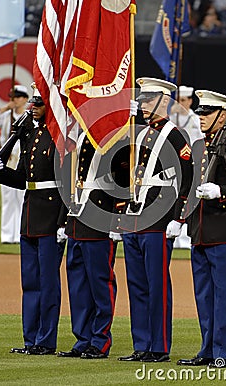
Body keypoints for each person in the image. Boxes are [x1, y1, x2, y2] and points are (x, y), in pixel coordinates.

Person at [115, 77, 193, 363]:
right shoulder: (140, 133)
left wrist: (178, 217)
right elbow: (125, 172)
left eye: (149, 100)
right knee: (136, 284)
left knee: (156, 284)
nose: (144, 104)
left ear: (163, 101)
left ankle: (158, 347)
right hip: (134, 216)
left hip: (158, 219)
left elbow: (186, 178)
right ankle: (141, 344)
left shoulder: (174, 135)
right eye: (143, 100)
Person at [0, 84, 67, 355]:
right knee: (30, 281)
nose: (32, 106)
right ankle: (30, 339)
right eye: (32, 101)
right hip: (31, 213)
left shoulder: (60, 136)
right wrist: (1, 172)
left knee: (48, 282)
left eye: (38, 102)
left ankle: (46, 340)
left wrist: (62, 222)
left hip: (50, 215)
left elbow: (66, 183)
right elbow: (24, 178)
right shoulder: (29, 134)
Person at [177, 89, 226, 368]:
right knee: (204, 295)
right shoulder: (199, 146)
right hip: (200, 231)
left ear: (223, 116)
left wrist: (220, 191)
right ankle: (207, 350)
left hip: (224, 232)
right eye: (200, 112)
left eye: (207, 112)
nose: (201, 117)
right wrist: (179, 218)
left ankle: (224, 353)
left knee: (223, 295)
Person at [56, 129, 128, 360]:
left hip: (100, 217)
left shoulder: (114, 133)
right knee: (78, 286)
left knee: (100, 284)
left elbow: (123, 178)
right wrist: (63, 221)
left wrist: (117, 221)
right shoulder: (80, 135)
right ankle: (82, 339)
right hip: (78, 218)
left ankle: (100, 340)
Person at [0, 85, 29, 244]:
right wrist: (4, 108)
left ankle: (19, 233)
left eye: (18, 97)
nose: (15, 100)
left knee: (21, 197)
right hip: (6, 160)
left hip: (21, 159)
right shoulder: (6, 116)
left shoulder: (27, 116)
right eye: (13, 97)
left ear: (25, 99)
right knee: (8, 198)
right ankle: (7, 235)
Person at [170, 85, 204, 249]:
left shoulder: (197, 119)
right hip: (174, 163)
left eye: (183, 100)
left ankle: (184, 237)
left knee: (188, 197)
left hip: (191, 163)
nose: (181, 103)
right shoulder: (171, 118)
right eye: (178, 100)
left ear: (190, 101)